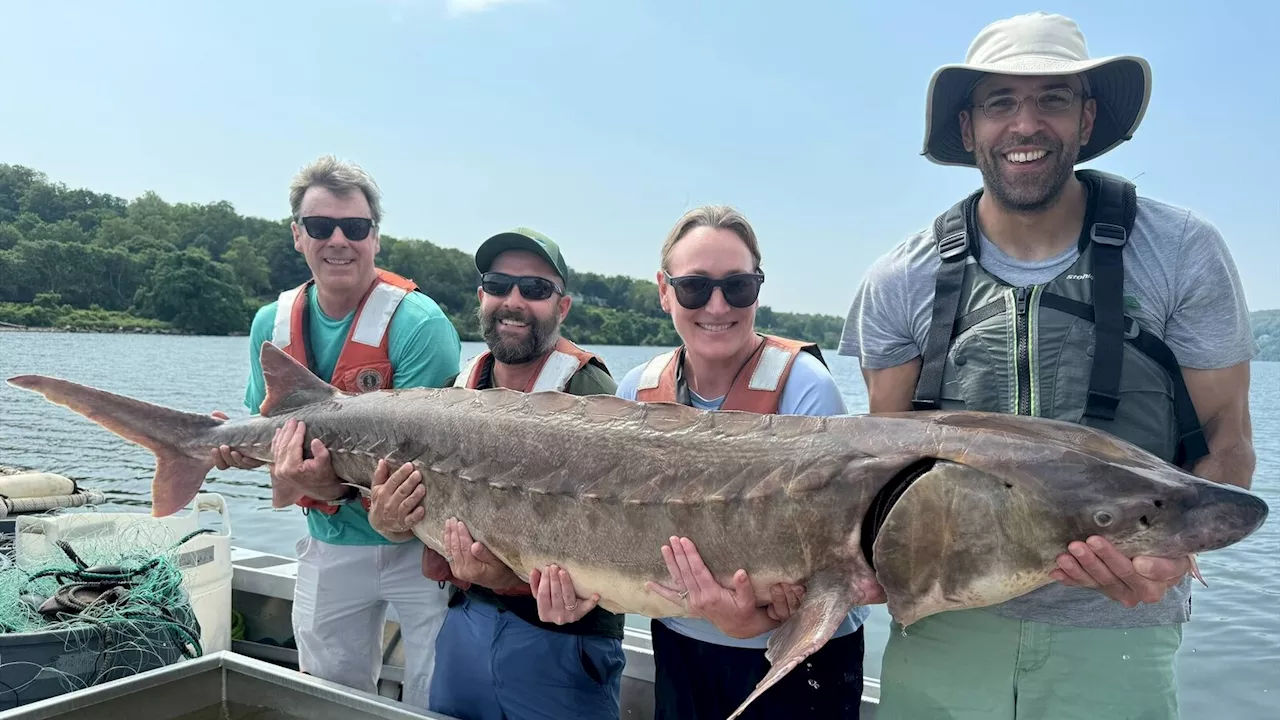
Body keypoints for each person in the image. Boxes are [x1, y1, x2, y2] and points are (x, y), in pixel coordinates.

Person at [840, 12, 1257, 719]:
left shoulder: (1182, 250)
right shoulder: (899, 279)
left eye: (1052, 99)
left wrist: (1168, 557)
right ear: (968, 128)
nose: (1025, 124)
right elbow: (886, 472)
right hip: (944, 630)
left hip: (1119, 634)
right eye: (1000, 101)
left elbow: (1229, 441)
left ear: (1087, 118)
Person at [210, 155, 462, 710]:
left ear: (376, 237)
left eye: (355, 227)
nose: (339, 241)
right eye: (321, 227)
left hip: (421, 547)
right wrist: (235, 450)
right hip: (329, 544)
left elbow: (434, 463)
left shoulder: (420, 325)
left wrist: (327, 485)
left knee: (435, 697)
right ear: (298, 235)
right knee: (326, 699)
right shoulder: (269, 325)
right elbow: (274, 441)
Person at [614, 205, 871, 719]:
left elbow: (842, 564)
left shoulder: (807, 389)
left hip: (801, 663)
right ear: (664, 292)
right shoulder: (636, 391)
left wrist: (751, 622)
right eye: (693, 287)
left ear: (758, 289)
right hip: (680, 647)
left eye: (737, 286)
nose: (716, 305)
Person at [366, 227, 626, 720]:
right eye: (499, 285)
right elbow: (414, 504)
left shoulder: (592, 390)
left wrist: (509, 575)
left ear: (562, 307)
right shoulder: (456, 389)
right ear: (481, 296)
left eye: (535, 290)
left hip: (561, 641)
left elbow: (613, 530)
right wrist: (388, 518)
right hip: (465, 620)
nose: (514, 301)